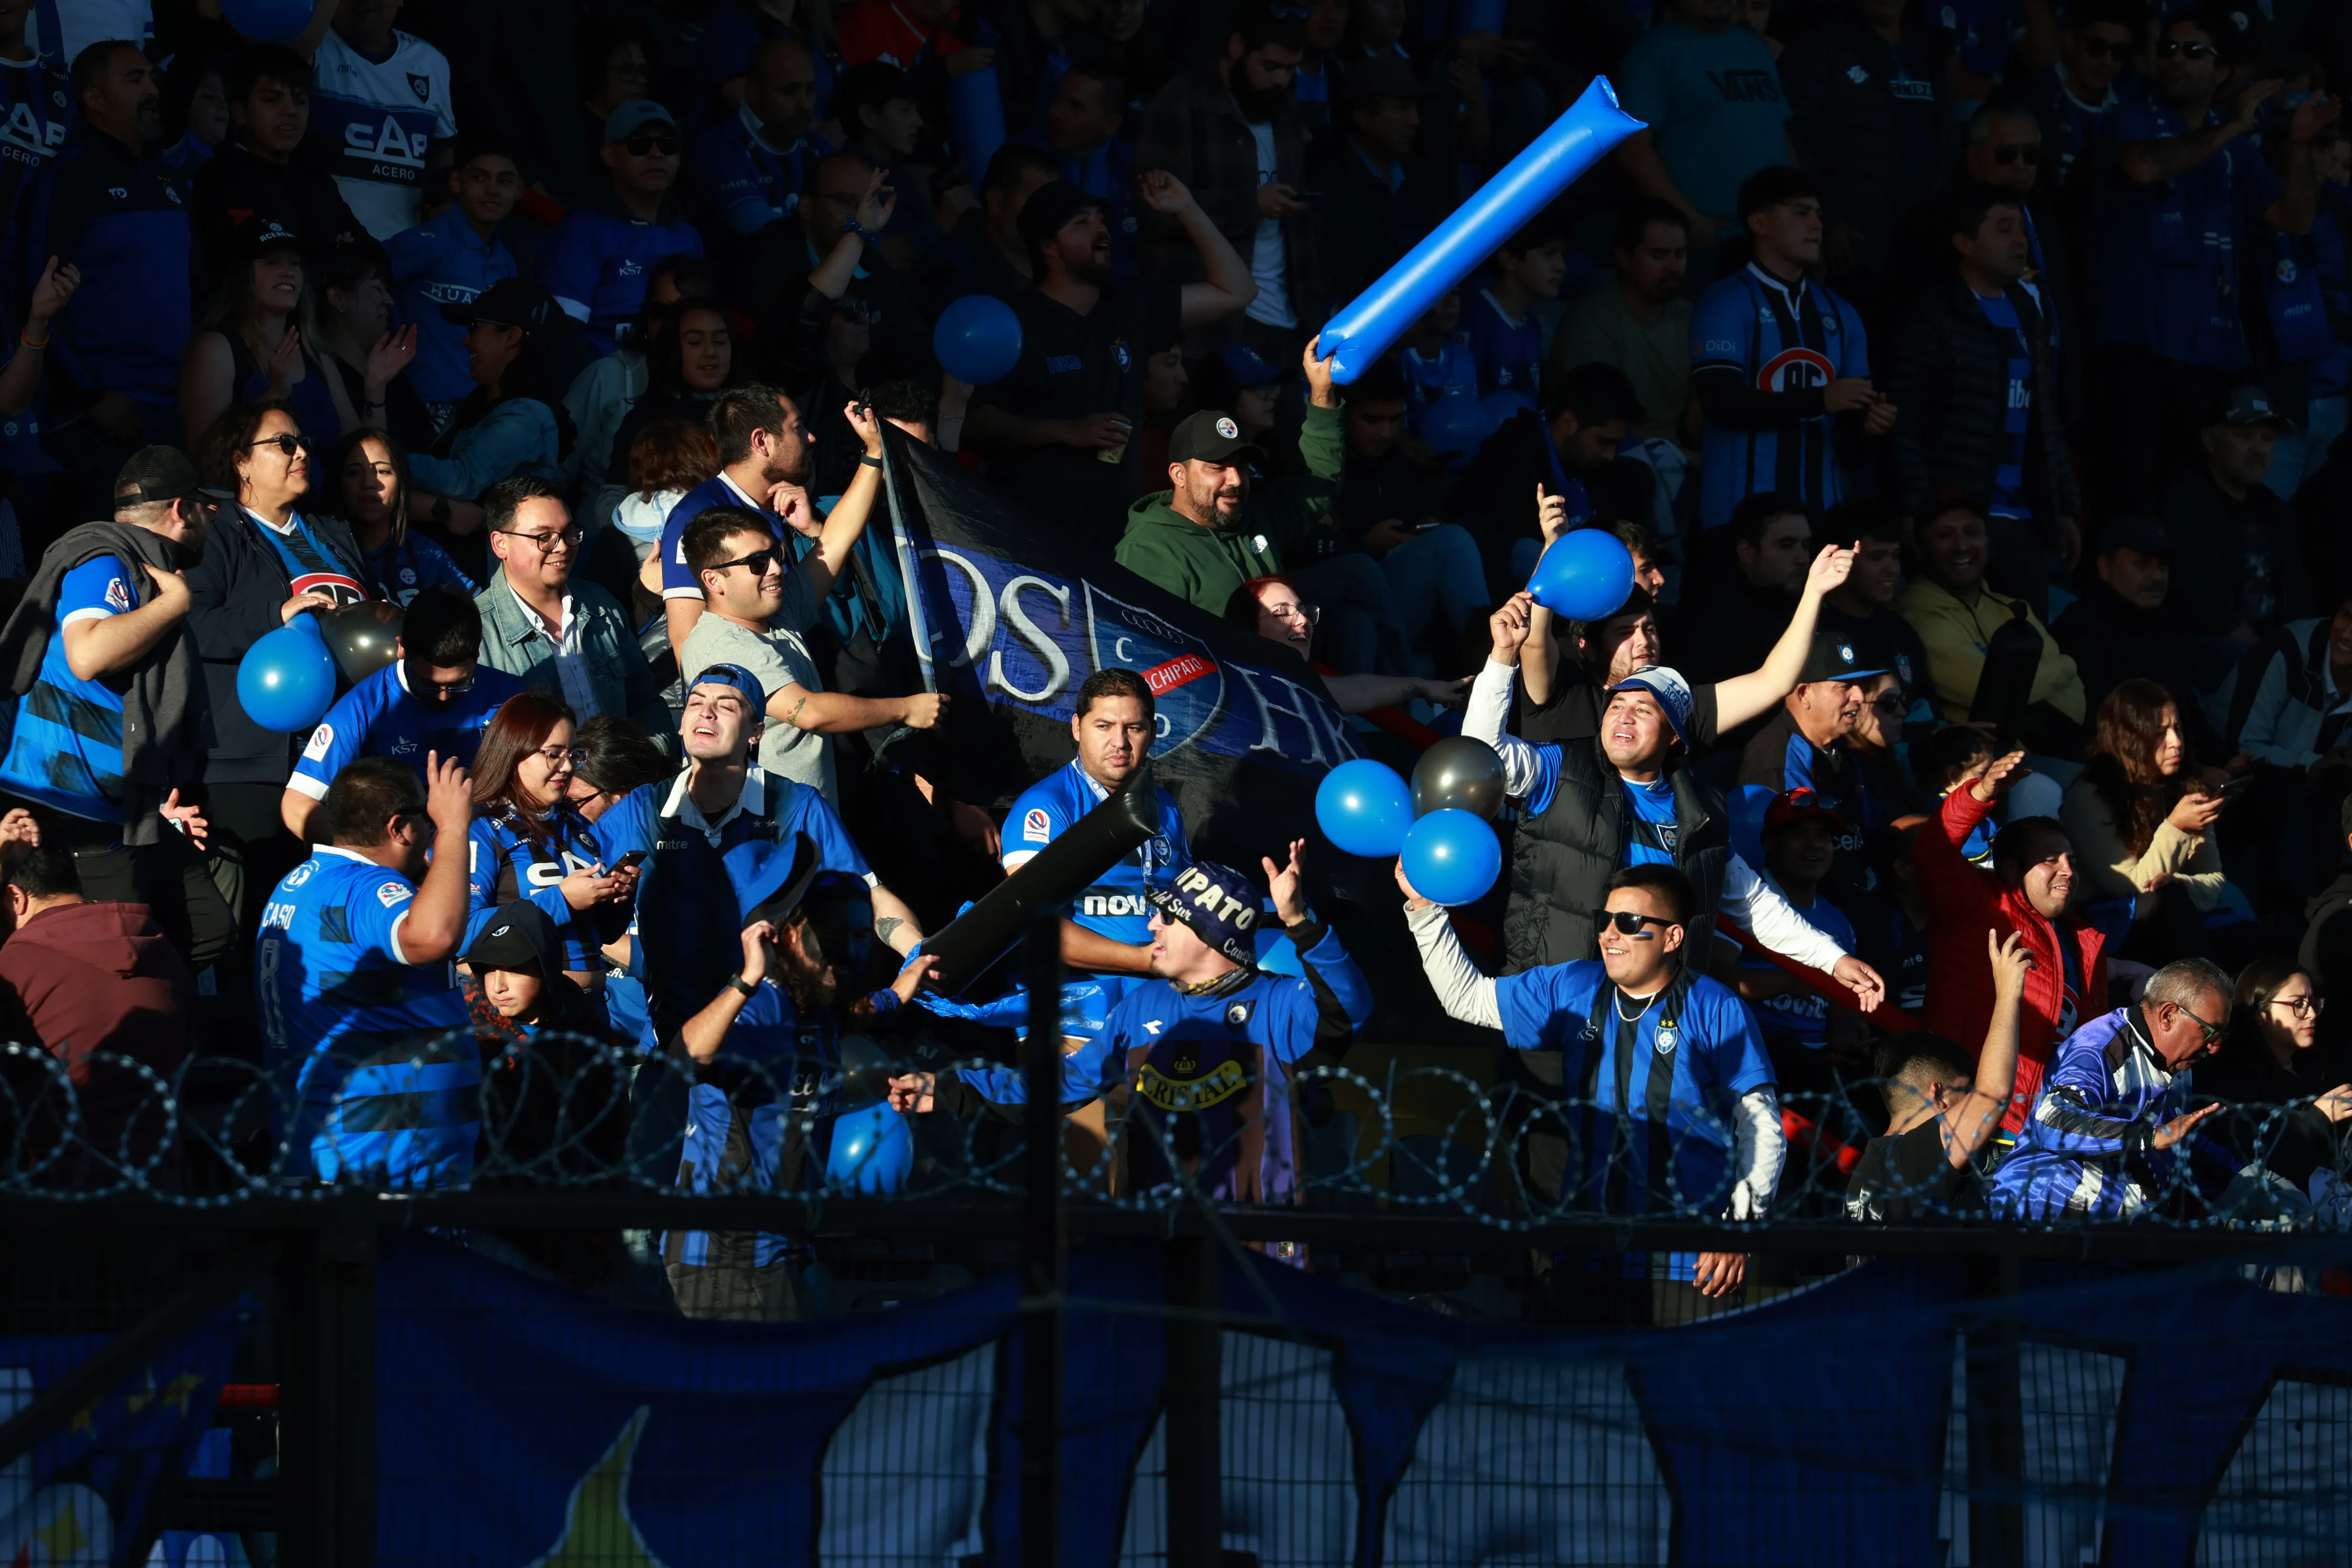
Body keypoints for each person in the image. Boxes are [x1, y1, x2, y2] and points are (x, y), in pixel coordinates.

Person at [1407, 859, 1784, 1317]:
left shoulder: (1715, 1006)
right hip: (1586, 1254)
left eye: (1628, 922)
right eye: (1604, 920)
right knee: (1581, 1389)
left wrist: (1741, 1226)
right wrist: (1425, 908)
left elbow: (1762, 1124)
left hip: (1690, 1265)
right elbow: (1465, 997)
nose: (1609, 933)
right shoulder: (1574, 985)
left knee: (1673, 1391)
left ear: (1673, 937)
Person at [1470, 595, 1885, 1003]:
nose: (1624, 716)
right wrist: (1503, 656)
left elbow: (1752, 903)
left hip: (1652, 1025)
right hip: (1550, 1007)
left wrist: (1832, 959)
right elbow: (1480, 757)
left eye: (1644, 710)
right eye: (1617, 705)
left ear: (1674, 737)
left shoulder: (1701, 814)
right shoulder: (1560, 768)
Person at [895, 848, 1368, 1204]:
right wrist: (952, 1087)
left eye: (1167, 916)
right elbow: (1061, 1083)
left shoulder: (1277, 1003)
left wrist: (1298, 922)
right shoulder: (1143, 1004)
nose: (1151, 926)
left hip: (1259, 1245)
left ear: (1209, 935)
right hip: (1157, 1236)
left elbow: (1350, 1008)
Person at [658, 833, 938, 1321]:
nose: (847, 954)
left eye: (857, 937)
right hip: (727, 1258)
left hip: (786, 1247)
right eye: (831, 938)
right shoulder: (759, 1006)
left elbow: (861, 1011)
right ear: (785, 935)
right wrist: (744, 980)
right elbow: (684, 1057)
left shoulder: (820, 1005)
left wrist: (901, 989)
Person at [2086, 7, 2339, 510]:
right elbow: (2141, 167)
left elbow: (2292, 217)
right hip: (2135, 345)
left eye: (2193, 51)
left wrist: (2300, 148)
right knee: (2131, 498)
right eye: (2168, 49)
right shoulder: (2130, 116)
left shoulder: (2234, 145)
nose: (2175, 59)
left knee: (2192, 501)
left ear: (2221, 71)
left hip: (2209, 352)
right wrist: (2234, 128)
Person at [0, 446, 228, 967]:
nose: (209, 525)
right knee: (116, 958)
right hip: (69, 809)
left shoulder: (137, 567)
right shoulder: (105, 557)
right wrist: (173, 604)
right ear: (180, 509)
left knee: (208, 926)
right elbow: (88, 654)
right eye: (205, 510)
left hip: (129, 810)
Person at [964, 175, 1256, 542]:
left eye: (1101, 219)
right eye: (1082, 223)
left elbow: (1238, 291)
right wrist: (1067, 431)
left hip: (1120, 536)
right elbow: (974, 423)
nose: (1101, 229)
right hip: (1038, 537)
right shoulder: (1013, 323)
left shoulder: (1128, 307)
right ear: (1049, 247)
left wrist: (1187, 208)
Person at [596, 663, 928, 971]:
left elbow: (869, 894)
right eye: (695, 704)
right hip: (656, 1020)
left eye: (726, 706)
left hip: (769, 1010)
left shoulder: (797, 805)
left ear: (756, 732)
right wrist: (652, 961)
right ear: (681, 725)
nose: (707, 713)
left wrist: (917, 952)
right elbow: (569, 898)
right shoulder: (639, 810)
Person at [256, 752, 477, 1188]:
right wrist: (455, 828)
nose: (432, 830)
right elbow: (433, 935)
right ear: (398, 828)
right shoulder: (364, 890)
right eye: (427, 819)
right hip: (388, 1160)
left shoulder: (300, 882)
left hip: (337, 1143)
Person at [189, 400, 371, 900]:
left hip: (340, 753)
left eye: (303, 443)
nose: (300, 453)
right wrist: (276, 615)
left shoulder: (332, 532)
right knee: (261, 910)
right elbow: (190, 622)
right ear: (240, 462)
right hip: (254, 764)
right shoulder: (218, 531)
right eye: (283, 444)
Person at [1889, 185, 2079, 620]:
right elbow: (1906, 419)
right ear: (1964, 242)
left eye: (2022, 230)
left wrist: (2064, 506)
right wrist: (1918, 508)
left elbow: (2044, 419)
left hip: (2020, 518)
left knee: (2026, 642)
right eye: (2004, 228)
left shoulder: (2028, 314)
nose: (2020, 241)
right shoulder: (1934, 312)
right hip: (1953, 514)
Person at [20, 40, 194, 494]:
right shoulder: (66, 179)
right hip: (104, 421)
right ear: (95, 100)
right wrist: (90, 397)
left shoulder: (169, 181)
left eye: (153, 77)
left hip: (179, 413)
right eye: (135, 80)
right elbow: (33, 292)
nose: (152, 89)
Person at [1915, 749, 2109, 1139]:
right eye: (2050, 859)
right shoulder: (1981, 904)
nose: (2068, 871)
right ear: (2009, 869)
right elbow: (1932, 852)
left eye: (2071, 859)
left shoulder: (2084, 944)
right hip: (1968, 1120)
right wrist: (1981, 793)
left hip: (2042, 1138)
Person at [1691, 166, 1894, 530]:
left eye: (1819, 214)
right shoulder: (1725, 302)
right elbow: (1720, 402)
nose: (1817, 225)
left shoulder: (1843, 314)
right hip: (1739, 518)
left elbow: (1847, 417)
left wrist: (1869, 422)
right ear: (1759, 223)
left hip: (1822, 514)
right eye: (1801, 213)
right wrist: (1820, 400)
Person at [1135, 3, 1328, 368]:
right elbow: (1153, 212)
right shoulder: (1181, 103)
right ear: (1238, 46)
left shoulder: (1284, 108)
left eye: (1290, 70)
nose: (1280, 80)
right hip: (1214, 326)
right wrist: (1249, 204)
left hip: (1290, 315)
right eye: (1270, 66)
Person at [0, 840, 196, 1189]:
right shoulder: (161, 948)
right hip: (161, 1185)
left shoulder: (16, 965)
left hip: (56, 1189)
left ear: (17, 898)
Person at [1987, 957, 2231, 1219]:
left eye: (2221, 1036)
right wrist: (2148, 1137)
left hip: (2113, 1236)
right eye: (2209, 1032)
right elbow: (2052, 1120)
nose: (2215, 1047)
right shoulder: (2099, 1047)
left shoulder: (2180, 1065)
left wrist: (2250, 1180)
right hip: (2042, 1226)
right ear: (2168, 1016)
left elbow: (2180, 1140)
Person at [1113, 342, 1342, 616]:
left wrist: (1322, 394)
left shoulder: (1256, 514)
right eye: (1218, 467)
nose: (1234, 479)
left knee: (1356, 620)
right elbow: (1157, 649)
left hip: (1277, 659)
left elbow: (1318, 482)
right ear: (1179, 475)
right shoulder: (1150, 550)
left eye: (1242, 466)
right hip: (1224, 661)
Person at [1001, 668, 1191, 987]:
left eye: (1133, 727)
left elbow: (1186, 901)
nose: (1120, 742)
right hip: (1076, 999)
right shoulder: (1046, 807)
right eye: (1104, 726)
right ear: (1077, 728)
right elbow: (1032, 925)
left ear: (1153, 732)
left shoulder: (1167, 806)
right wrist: (1146, 960)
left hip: (1169, 988)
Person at [1846, 932, 2033, 1222]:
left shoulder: (1869, 1171)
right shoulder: (1911, 1156)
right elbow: (1993, 1093)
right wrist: (2008, 995)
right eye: (1966, 1093)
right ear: (1938, 1095)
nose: (1972, 1104)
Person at [1775, 0, 1946, 310]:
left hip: (1919, 244)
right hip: (1849, 249)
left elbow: (1946, 142)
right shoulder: (1822, 46)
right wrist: (1822, 216)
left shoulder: (1929, 51)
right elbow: (1793, 138)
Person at [462, 690, 635, 996]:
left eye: (573, 754)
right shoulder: (479, 827)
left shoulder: (577, 823)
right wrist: (562, 900)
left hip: (589, 1012)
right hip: (523, 1023)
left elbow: (604, 934)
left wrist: (616, 898)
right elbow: (461, 931)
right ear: (514, 753)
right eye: (554, 754)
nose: (568, 766)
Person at [471, 476, 671, 739]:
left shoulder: (602, 606)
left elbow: (645, 702)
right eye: (544, 537)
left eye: (568, 533)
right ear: (500, 544)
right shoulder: (477, 633)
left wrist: (646, 765)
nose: (563, 546)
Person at [1612, 0, 1794, 265]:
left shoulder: (1755, 48)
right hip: (1707, 242)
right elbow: (1632, 148)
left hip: (1774, 234)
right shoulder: (1655, 51)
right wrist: (1688, 219)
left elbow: (1778, 131)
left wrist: (1799, 210)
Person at [1896, 502, 2086, 754]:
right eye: (1945, 535)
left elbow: (2076, 698)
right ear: (1921, 547)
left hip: (2059, 752)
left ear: (1987, 540)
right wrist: (2066, 666)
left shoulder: (2014, 607)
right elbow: (1985, 689)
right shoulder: (1916, 615)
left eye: (1972, 533)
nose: (1961, 546)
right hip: (1979, 768)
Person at [2061, 680, 2232, 952]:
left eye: (2177, 729)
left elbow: (2214, 882)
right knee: (2174, 907)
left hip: (2171, 917)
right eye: (2159, 733)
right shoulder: (2090, 796)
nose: (2176, 742)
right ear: (2129, 739)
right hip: (2109, 930)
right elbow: (2128, 888)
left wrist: (2179, 883)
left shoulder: (2182, 789)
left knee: (2244, 931)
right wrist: (2176, 827)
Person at [1452, 360, 1644, 592]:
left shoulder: (1611, 472)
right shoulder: (1507, 459)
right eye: (1603, 442)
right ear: (1568, 423)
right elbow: (1492, 546)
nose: (1610, 456)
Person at [655, 382, 814, 657]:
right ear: (761, 442)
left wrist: (814, 530)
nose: (810, 438)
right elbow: (687, 641)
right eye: (798, 427)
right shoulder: (697, 515)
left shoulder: (788, 504)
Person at [185, 44, 365, 283]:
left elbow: (367, 250)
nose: (290, 111)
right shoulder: (220, 177)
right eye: (272, 100)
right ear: (239, 112)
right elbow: (250, 258)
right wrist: (332, 251)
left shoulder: (317, 180)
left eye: (300, 100)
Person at [1728, 788, 1866, 1097]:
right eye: (1799, 834)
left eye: (1823, 836)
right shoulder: (1739, 902)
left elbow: (1840, 1009)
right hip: (1755, 1057)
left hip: (1822, 1069)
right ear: (1769, 843)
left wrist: (1846, 1036)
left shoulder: (1838, 921)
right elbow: (1714, 976)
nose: (1814, 845)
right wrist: (1790, 982)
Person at [176, 219, 359, 452]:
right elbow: (204, 452)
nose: (290, 272)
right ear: (243, 275)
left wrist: (376, 389)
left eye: (296, 264)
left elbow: (356, 450)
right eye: (272, 263)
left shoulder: (318, 358)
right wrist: (274, 395)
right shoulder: (217, 348)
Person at [538, 101, 704, 356]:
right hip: (601, 386)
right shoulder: (582, 230)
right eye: (640, 144)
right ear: (609, 155)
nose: (657, 154)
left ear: (679, 157)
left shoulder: (689, 237)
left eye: (668, 145)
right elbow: (563, 336)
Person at [1737, 634, 1890, 902]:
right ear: (1804, 694)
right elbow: (1795, 868)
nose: (1860, 696)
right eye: (1844, 687)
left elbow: (1873, 825)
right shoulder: (1776, 758)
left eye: (1860, 685)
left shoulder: (1840, 745)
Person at [2159, 386, 2308, 644]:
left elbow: (2300, 595)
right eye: (2245, 436)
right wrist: (2269, 662)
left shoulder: (2276, 510)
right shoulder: (2184, 506)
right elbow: (2206, 605)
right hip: (2211, 657)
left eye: (2267, 438)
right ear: (2210, 440)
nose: (2259, 449)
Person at [385, 138, 521, 419]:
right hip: (419, 403)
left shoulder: (507, 264)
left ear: (519, 190)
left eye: (505, 182)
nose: (492, 190)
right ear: (456, 182)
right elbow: (360, 286)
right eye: (479, 177)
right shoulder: (428, 243)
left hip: (479, 408)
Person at [300, 0, 456, 241]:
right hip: (326, 251)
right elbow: (285, 62)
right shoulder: (312, 46)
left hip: (407, 254)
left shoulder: (431, 62)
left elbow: (441, 151)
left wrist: (442, 201)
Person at [2051, 512, 2225, 724]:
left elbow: (2186, 708)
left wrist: (2223, 758)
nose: (2158, 576)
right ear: (2106, 567)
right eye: (2142, 564)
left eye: (2163, 565)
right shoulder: (2079, 628)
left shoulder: (2168, 627)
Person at [2198, 960, 2352, 1194]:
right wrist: (2314, 1120)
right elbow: (2250, 1152)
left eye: (2314, 1003)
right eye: (2298, 1004)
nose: (2311, 1014)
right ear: (2260, 1013)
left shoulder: (2318, 1069)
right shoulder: (2233, 1079)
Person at [1552, 201, 1697, 450]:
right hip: (1613, 459)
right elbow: (1594, 425)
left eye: (1680, 254)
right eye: (1659, 255)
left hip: (1680, 454)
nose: (1673, 266)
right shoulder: (1592, 322)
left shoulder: (1692, 318)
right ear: (1624, 258)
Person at [411, 277, 570, 500]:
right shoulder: (479, 405)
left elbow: (462, 480)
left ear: (511, 337)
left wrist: (382, 462)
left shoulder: (525, 415)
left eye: (474, 327)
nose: (466, 340)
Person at [1224, 574, 1466, 715]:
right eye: (1283, 613)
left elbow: (1361, 690)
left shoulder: (1307, 686)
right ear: (1246, 628)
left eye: (1302, 611)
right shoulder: (1228, 692)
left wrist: (1422, 686)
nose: (1303, 621)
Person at [688, 35, 825, 237]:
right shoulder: (717, 148)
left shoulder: (819, 147)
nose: (805, 105)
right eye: (790, 91)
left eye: (810, 90)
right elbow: (761, 232)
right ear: (754, 93)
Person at [1675, 491, 1813, 685]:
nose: (1803, 559)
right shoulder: (1709, 625)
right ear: (1747, 552)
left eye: (1806, 545)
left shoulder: (1801, 600)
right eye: (1786, 545)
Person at [328, 429, 473, 607]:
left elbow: (481, 613)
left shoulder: (428, 554)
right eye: (354, 473)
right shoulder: (320, 550)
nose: (368, 483)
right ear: (339, 482)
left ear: (401, 483)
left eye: (382, 471)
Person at [1812, 508, 1930, 701]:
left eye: (1895, 556)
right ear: (1839, 560)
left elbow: (1925, 707)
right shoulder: (1814, 632)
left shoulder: (1901, 632)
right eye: (1877, 558)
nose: (1892, 569)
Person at [2231, 595, 2352, 774]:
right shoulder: (2287, 652)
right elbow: (2244, 751)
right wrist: (2321, 764)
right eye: (2346, 615)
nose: (2347, 634)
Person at [1462, 221, 1569, 410]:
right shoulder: (1475, 322)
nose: (1562, 266)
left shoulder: (1532, 324)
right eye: (1548, 254)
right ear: (1509, 259)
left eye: (1562, 255)